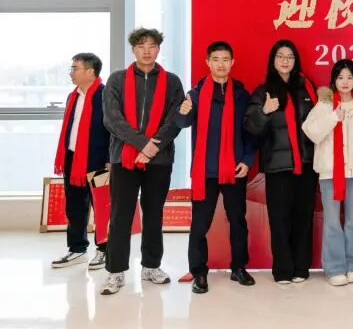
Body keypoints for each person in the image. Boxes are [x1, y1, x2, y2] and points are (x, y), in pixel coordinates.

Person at [100, 28, 186, 296]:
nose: (147, 51)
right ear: (133, 50)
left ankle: (151, 266)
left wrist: (151, 148)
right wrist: (141, 143)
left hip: (159, 159)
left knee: (153, 213)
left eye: (152, 46)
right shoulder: (117, 80)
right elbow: (111, 118)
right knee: (120, 215)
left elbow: (175, 120)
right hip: (123, 158)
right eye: (141, 46)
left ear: (159, 49)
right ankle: (115, 271)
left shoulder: (172, 82)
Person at [176, 41, 257, 293]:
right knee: (200, 225)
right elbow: (182, 123)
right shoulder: (195, 94)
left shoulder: (242, 95)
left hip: (234, 169)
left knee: (238, 221)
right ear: (207, 62)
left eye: (225, 60)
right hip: (205, 171)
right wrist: (183, 111)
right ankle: (199, 272)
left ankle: (239, 268)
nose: (221, 65)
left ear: (232, 63)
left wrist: (247, 159)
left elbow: (250, 132)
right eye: (216, 59)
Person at [244, 39, 318, 285]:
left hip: (306, 164)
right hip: (278, 166)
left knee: (303, 217)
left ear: (295, 61)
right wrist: (264, 111)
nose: (285, 61)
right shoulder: (264, 91)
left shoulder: (307, 88)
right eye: (280, 56)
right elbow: (250, 127)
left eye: (290, 57)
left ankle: (301, 268)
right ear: (273, 61)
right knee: (279, 219)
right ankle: (283, 270)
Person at [302, 59, 353, 286]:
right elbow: (310, 131)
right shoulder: (324, 104)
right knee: (332, 221)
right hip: (331, 173)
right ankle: (334, 268)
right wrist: (333, 117)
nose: (345, 82)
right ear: (334, 80)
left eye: (349, 77)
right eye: (340, 77)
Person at [50, 52, 109, 271]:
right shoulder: (73, 96)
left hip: (99, 160)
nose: (71, 73)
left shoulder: (105, 95)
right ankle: (77, 249)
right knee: (75, 207)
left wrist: (110, 160)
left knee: (102, 208)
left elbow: (113, 130)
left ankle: (104, 250)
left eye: (75, 68)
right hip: (73, 159)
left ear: (90, 71)